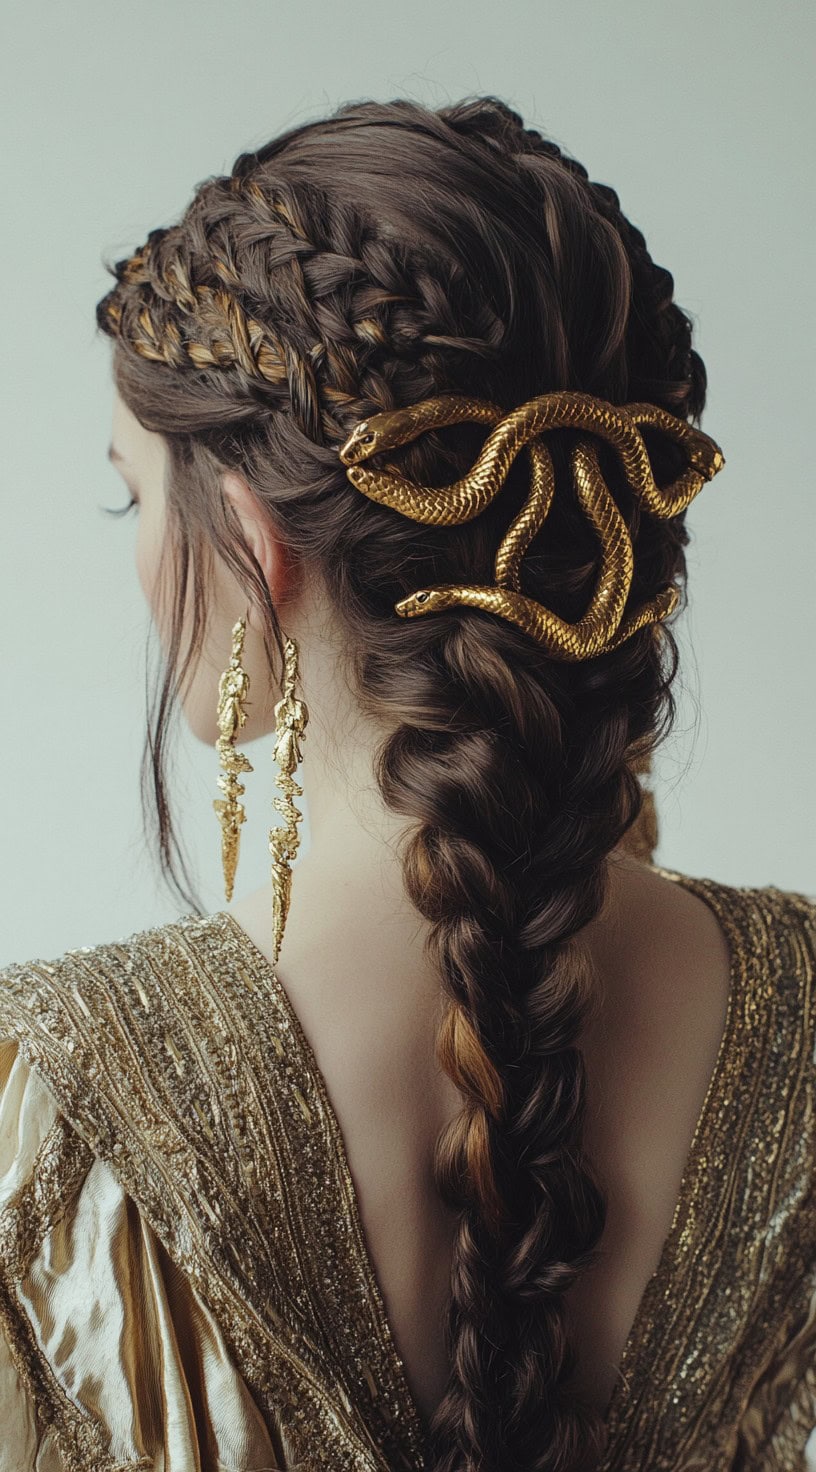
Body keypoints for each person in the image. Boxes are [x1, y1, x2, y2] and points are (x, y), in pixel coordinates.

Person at [0, 95, 813, 1472]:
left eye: (134, 497)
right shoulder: (800, 1004)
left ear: (254, 545)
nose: (141, 559)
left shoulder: (47, 1108)